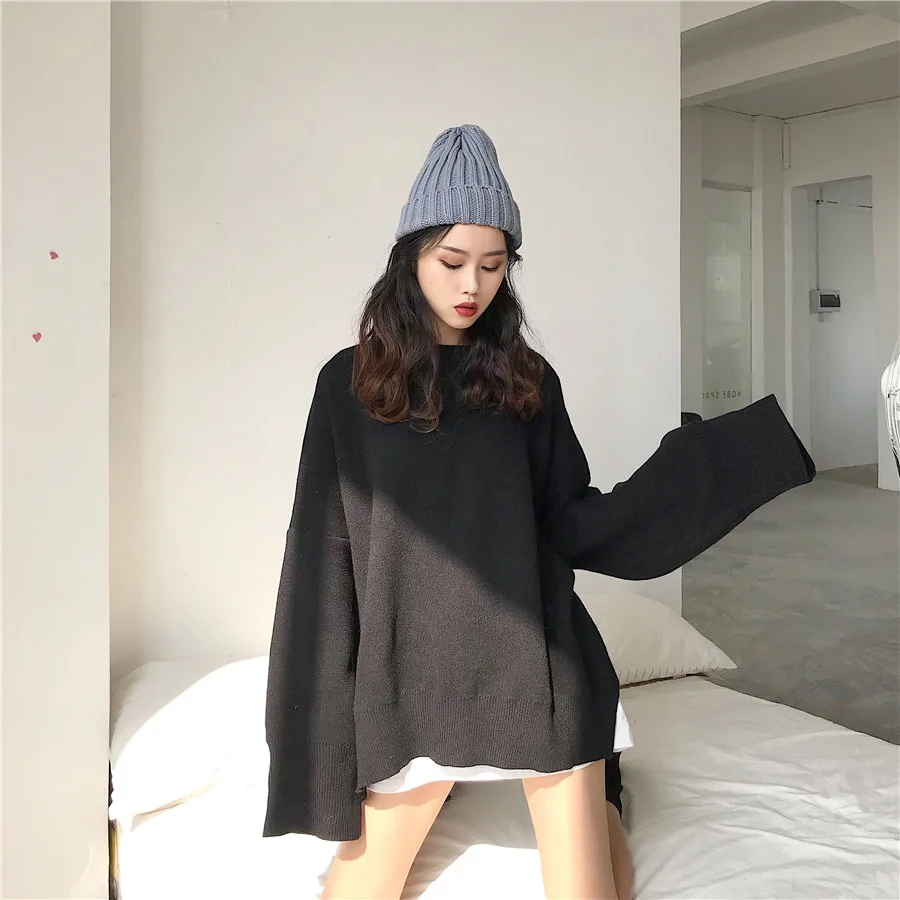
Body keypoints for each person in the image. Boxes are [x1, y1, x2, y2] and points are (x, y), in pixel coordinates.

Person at [262, 125, 816, 900]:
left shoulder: (525, 380)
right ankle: (597, 805)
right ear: (410, 257)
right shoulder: (350, 386)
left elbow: (573, 522)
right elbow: (324, 562)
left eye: (494, 265)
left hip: (539, 674)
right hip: (414, 686)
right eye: (452, 261)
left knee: (591, 882)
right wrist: (323, 741)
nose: (472, 284)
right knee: (358, 887)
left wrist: (724, 462)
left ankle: (604, 805)